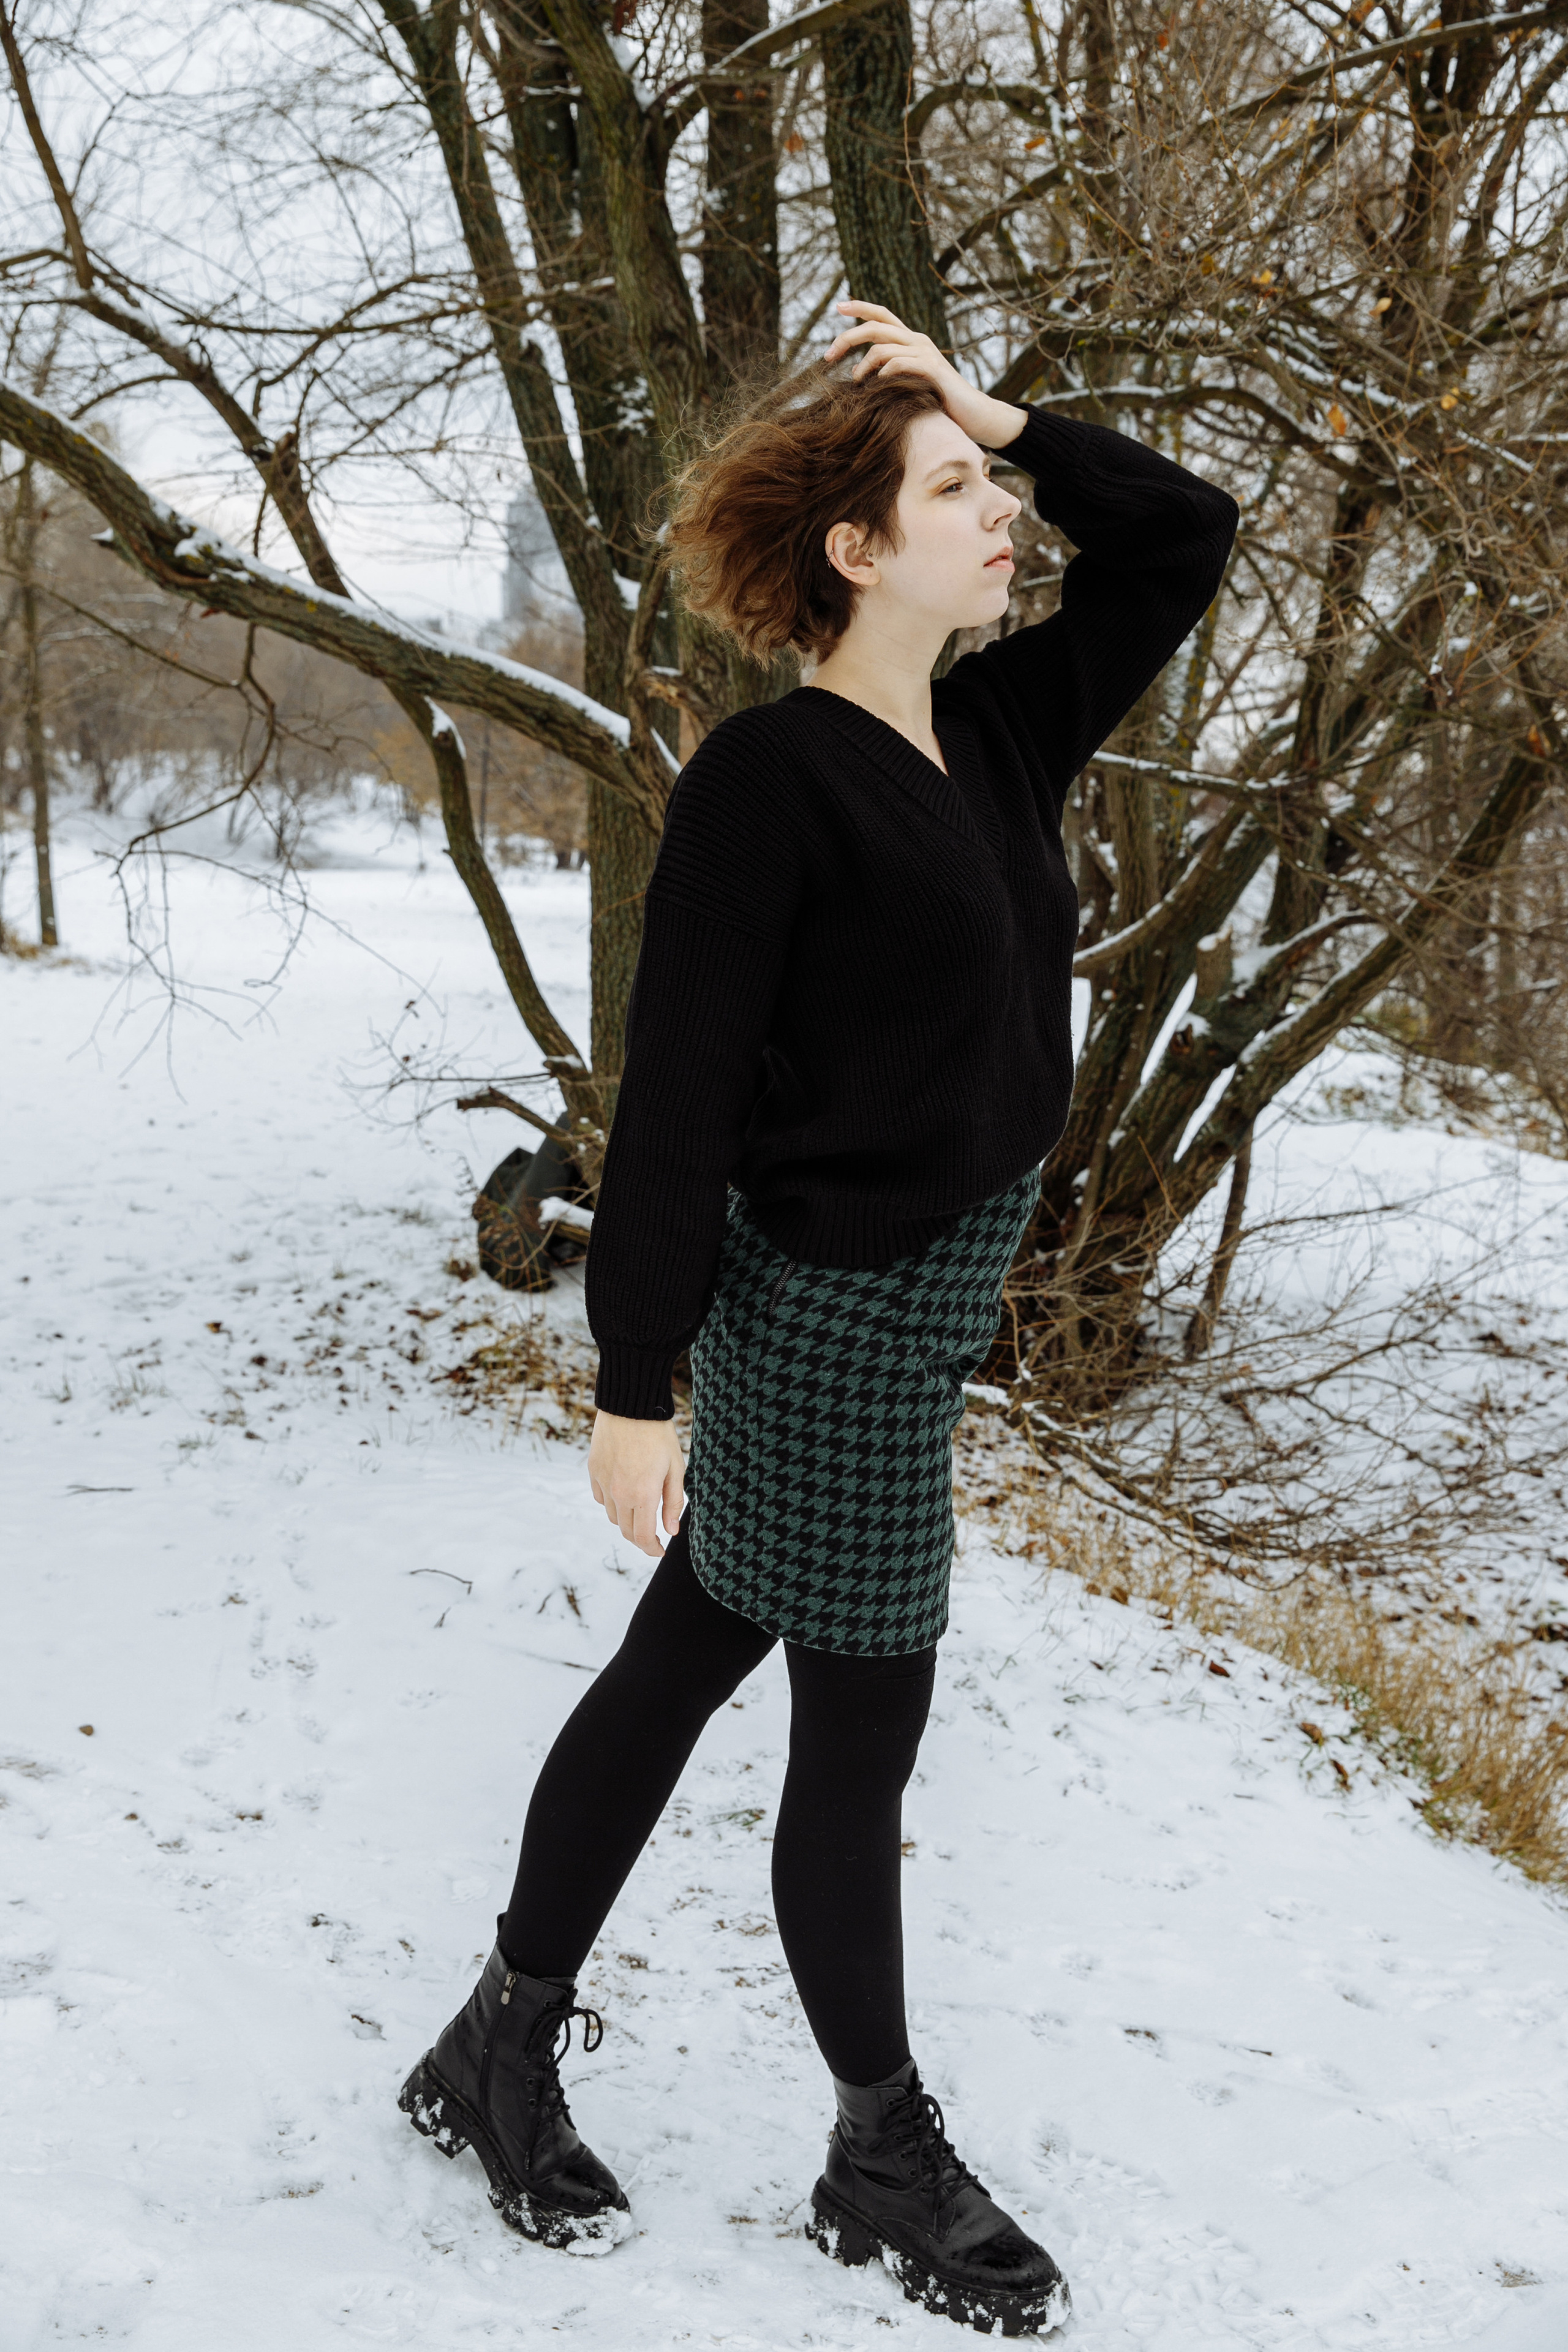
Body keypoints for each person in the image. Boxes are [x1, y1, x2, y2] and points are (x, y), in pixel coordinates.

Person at [399, 302, 1238, 2335]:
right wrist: (634, 1376)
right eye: (956, 495)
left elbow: (1186, 534)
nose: (1003, 521)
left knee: (687, 1653)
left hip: (921, 1307)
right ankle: (878, 2150)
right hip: (826, 1317)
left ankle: (494, 2042)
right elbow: (677, 1092)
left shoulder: (1006, 728)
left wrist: (988, 404)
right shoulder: (771, 780)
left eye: (987, 489)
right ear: (859, 550)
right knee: (861, 1719)